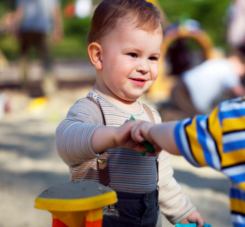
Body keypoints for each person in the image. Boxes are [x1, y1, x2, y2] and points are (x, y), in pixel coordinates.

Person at [131, 0, 245, 226]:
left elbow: (181, 137)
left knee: (181, 117)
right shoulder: (227, 69)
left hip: (185, 90)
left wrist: (150, 130)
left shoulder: (242, 117)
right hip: (187, 92)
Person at [56, 1, 205, 227]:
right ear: (98, 56)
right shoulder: (92, 109)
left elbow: (161, 177)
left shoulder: (151, 115)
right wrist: (114, 136)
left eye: (153, 57)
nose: (145, 67)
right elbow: (66, 142)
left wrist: (183, 210)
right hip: (103, 218)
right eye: (133, 54)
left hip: (147, 216)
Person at [168, 52, 245, 119]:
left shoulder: (220, 63)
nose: (241, 76)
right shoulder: (228, 68)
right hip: (186, 92)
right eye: (243, 71)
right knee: (188, 122)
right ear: (236, 60)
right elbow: (239, 92)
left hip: (184, 86)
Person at [13, 0, 63, 94]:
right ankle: (50, 88)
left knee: (24, 57)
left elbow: (19, 10)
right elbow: (55, 10)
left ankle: (24, 85)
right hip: (44, 28)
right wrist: (58, 28)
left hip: (27, 28)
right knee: (47, 60)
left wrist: (15, 27)